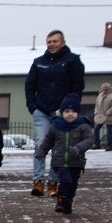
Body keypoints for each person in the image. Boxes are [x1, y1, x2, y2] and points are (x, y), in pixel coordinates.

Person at [25, 30, 85, 197]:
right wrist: (33, 107)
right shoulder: (38, 62)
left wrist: (71, 108)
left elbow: (78, 85)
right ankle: (38, 182)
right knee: (40, 143)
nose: (51, 44)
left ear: (63, 42)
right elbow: (29, 86)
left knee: (58, 147)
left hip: (62, 112)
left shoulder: (72, 61)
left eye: (55, 41)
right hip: (41, 111)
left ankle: (53, 182)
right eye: (49, 41)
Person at [33, 94, 93, 215]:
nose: (70, 114)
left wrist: (78, 148)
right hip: (59, 161)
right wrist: (41, 152)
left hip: (76, 161)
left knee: (73, 183)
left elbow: (89, 140)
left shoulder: (83, 126)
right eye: (67, 111)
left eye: (73, 111)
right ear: (61, 112)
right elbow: (47, 141)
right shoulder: (56, 126)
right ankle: (61, 200)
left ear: (78, 113)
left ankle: (68, 202)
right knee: (66, 180)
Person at [92, 83, 112, 151]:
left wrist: (108, 113)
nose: (104, 89)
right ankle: (97, 144)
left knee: (109, 131)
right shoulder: (100, 95)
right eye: (103, 87)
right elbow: (96, 105)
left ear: (109, 88)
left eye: (106, 87)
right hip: (99, 116)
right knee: (96, 129)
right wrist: (96, 112)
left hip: (109, 116)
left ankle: (109, 146)